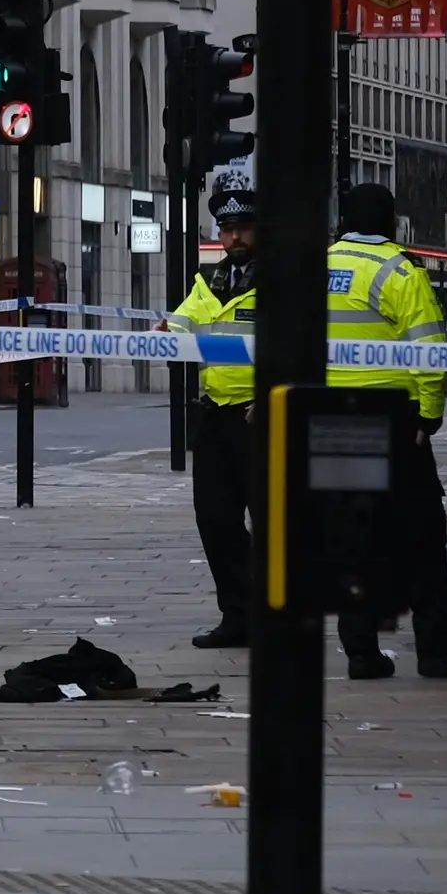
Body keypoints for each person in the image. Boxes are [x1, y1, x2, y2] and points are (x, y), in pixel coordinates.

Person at [328, 183, 447, 679]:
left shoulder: (312, 268)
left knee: (352, 537)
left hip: (328, 420)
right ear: (390, 221)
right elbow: (429, 350)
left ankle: (361, 651)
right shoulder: (399, 271)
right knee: (420, 534)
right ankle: (438, 649)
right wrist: (429, 415)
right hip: (390, 419)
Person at [169, 191, 258, 646]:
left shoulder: (284, 279)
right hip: (218, 414)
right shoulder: (210, 280)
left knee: (273, 522)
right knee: (215, 520)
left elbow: (298, 342)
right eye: (227, 230)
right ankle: (238, 616)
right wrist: (163, 334)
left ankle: (275, 615)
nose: (234, 238)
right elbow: (185, 322)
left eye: (243, 229)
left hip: (263, 414)